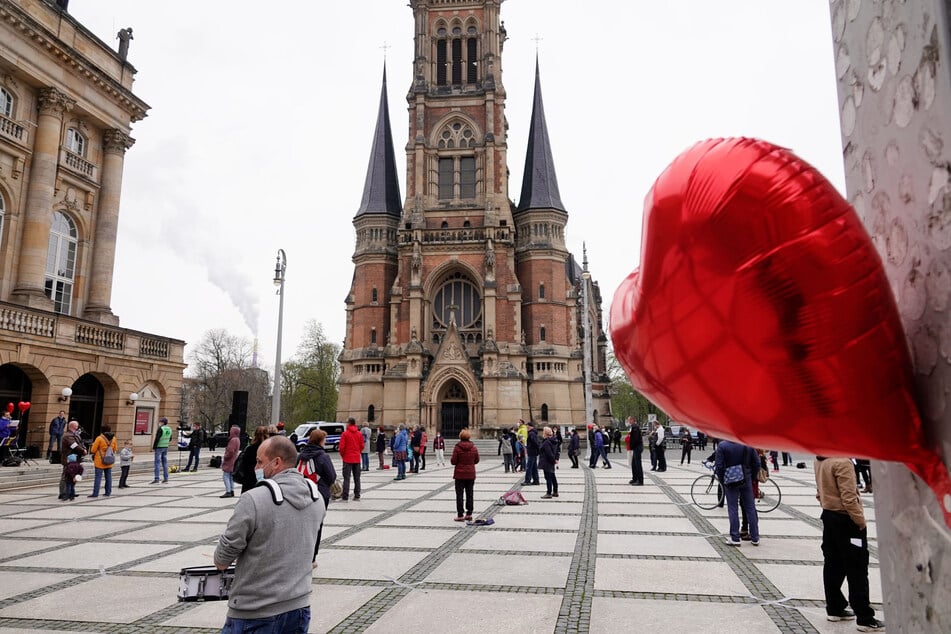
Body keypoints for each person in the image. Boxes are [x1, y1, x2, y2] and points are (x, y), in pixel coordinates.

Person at [215, 436, 324, 633]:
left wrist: (222, 555)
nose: (256, 467)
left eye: (259, 462)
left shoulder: (254, 499)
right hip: (298, 605)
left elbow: (223, 557)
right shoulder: (315, 497)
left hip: (255, 611)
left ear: (276, 463)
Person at [815, 456, 885, 631]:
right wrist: (860, 522)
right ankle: (865, 617)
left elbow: (819, 493)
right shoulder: (842, 462)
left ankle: (835, 607)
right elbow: (849, 498)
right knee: (857, 568)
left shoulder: (820, 460)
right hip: (846, 520)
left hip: (829, 516)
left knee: (833, 564)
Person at [298, 429, 336, 559]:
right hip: (319, 494)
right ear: (320, 441)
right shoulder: (323, 456)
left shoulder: (301, 455)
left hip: (301, 492)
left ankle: (300, 553)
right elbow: (332, 477)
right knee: (317, 525)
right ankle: (312, 557)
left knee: (302, 524)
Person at [714, 440, 761, 546]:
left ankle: (735, 537)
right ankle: (755, 537)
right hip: (746, 478)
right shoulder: (747, 444)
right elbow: (757, 463)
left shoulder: (723, 445)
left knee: (733, 508)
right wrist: (751, 477)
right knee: (750, 508)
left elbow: (719, 466)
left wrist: (722, 480)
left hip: (730, 479)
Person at [450, 428, 479, 521]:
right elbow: (477, 460)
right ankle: (469, 513)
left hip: (459, 474)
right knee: (470, 494)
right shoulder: (474, 447)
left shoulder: (457, 448)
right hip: (470, 474)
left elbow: (453, 461)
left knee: (459, 495)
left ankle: (460, 514)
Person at [58, 421, 87, 500]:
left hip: (76, 459)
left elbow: (81, 443)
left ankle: (70, 492)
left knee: (74, 475)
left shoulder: (76, 435)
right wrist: (82, 450)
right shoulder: (67, 436)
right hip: (68, 459)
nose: (77, 427)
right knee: (65, 476)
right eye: (76, 426)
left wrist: (84, 448)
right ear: (73, 426)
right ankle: (62, 493)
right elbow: (74, 445)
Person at [87, 425, 117, 498]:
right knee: (108, 477)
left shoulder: (99, 438)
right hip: (109, 459)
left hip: (100, 460)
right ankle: (108, 492)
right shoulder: (114, 439)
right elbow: (115, 449)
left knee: (98, 477)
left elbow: (93, 450)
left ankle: (95, 493)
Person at [238, 426, 270, 495]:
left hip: (249, 481)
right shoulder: (268, 449)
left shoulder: (249, 449)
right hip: (264, 481)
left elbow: (244, 465)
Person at [339, 418, 364, 501]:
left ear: (349, 423)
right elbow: (362, 446)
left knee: (346, 478)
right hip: (356, 458)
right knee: (357, 478)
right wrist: (358, 452)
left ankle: (345, 496)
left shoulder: (345, 434)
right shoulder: (359, 434)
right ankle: (357, 495)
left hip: (347, 458)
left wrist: (343, 455)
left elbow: (341, 447)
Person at [220, 426, 241, 498]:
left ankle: (228, 491)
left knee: (226, 476)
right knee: (231, 477)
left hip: (229, 460)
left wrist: (226, 456)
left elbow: (230, 451)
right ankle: (232, 490)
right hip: (234, 460)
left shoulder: (233, 440)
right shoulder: (237, 439)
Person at [150, 417, 172, 484]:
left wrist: (154, 447)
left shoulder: (161, 428)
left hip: (159, 447)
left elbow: (157, 438)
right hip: (165, 447)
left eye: (160, 422)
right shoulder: (169, 429)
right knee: (165, 463)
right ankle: (166, 478)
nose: (159, 423)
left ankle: (157, 478)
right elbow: (170, 438)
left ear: (163, 422)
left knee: (157, 463)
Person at [538, 426, 559, 498]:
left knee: (548, 477)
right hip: (551, 461)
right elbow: (557, 451)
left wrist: (553, 460)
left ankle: (549, 492)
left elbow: (548, 453)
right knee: (553, 476)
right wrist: (555, 459)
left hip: (547, 461)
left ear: (545, 433)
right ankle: (555, 491)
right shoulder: (554, 440)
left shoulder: (546, 442)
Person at [626, 417, 643, 485]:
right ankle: (635, 478)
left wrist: (632, 445)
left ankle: (640, 480)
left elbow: (635, 439)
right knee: (634, 464)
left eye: (629, 420)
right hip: (635, 447)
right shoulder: (633, 427)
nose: (628, 421)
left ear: (633, 420)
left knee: (637, 464)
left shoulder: (635, 427)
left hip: (637, 447)